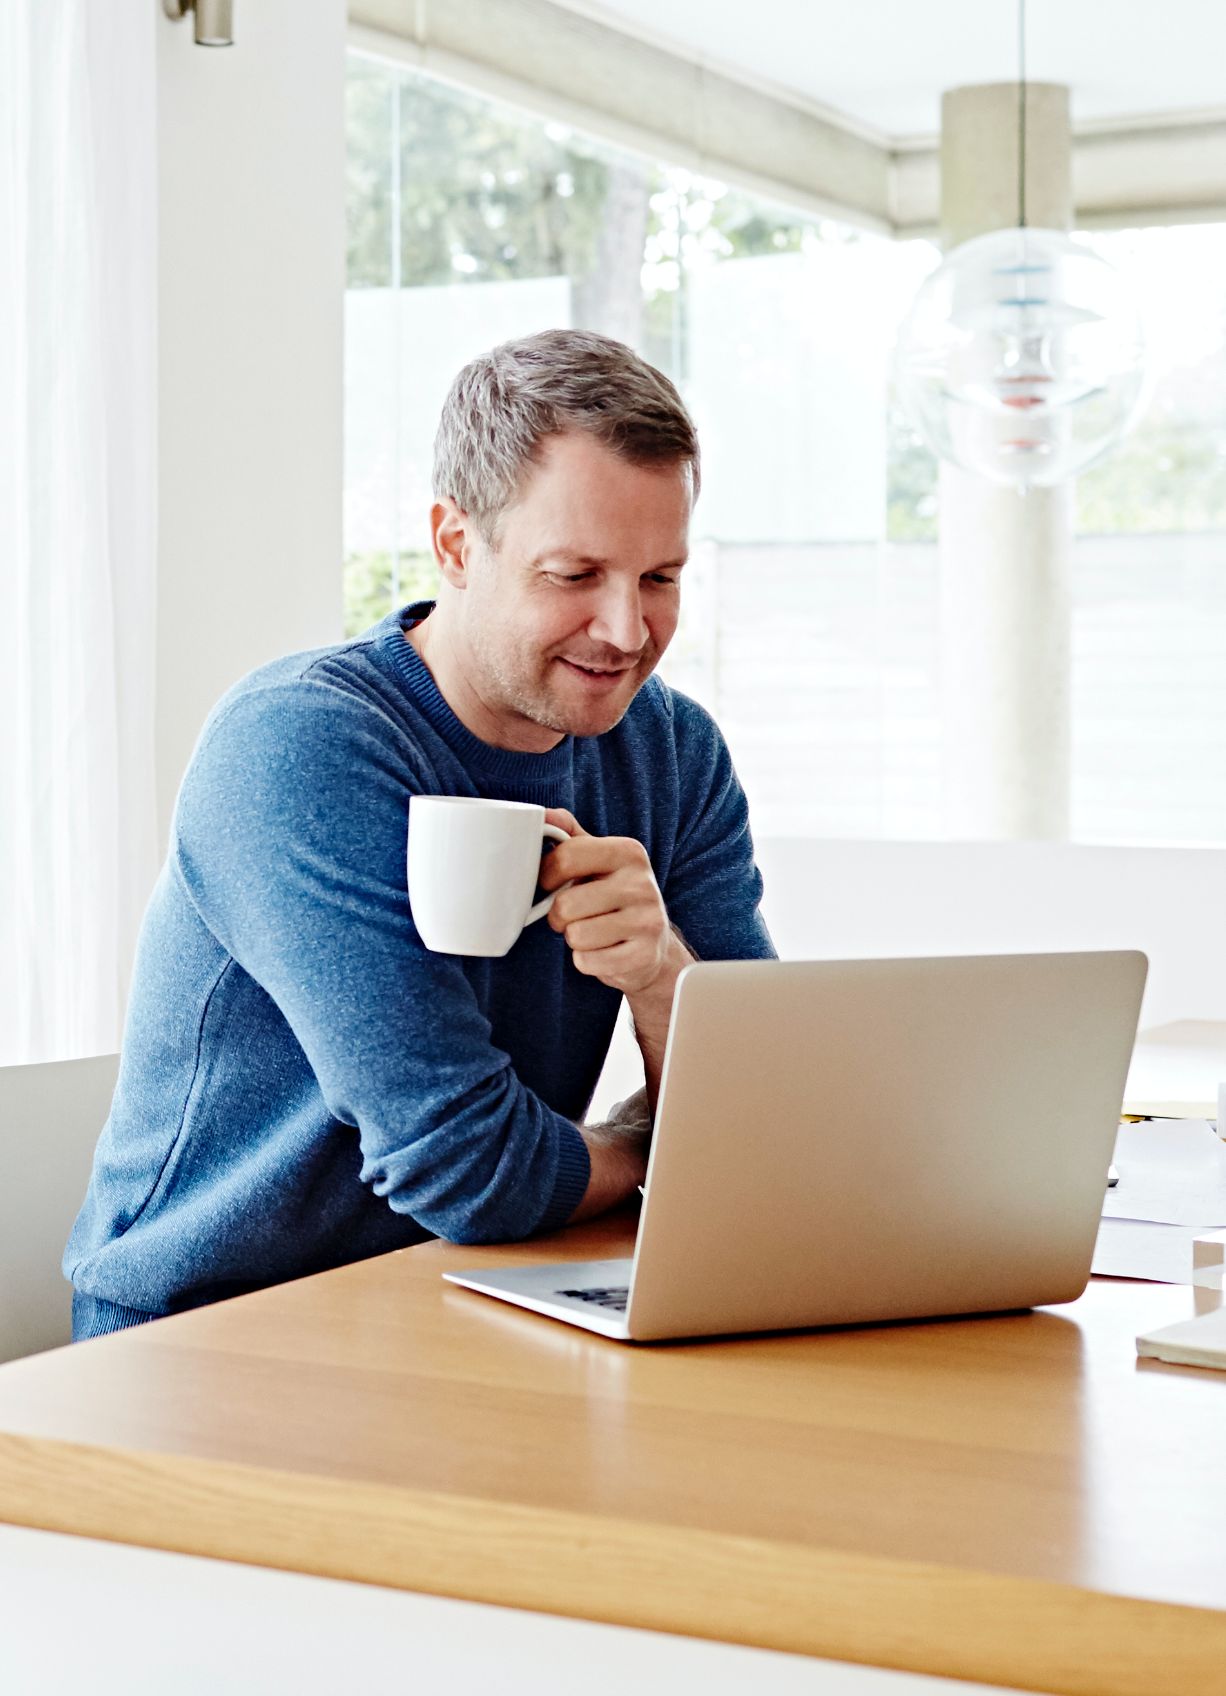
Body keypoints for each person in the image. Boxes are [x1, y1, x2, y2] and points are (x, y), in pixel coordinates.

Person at [65, 328, 775, 1338]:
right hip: (207, 1330)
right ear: (454, 544)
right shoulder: (300, 746)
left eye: (659, 577)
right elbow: (469, 1169)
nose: (626, 631)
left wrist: (662, 975)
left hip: (468, 1295)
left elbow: (761, 1131)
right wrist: (633, 1151)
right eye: (574, 574)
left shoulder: (670, 752)